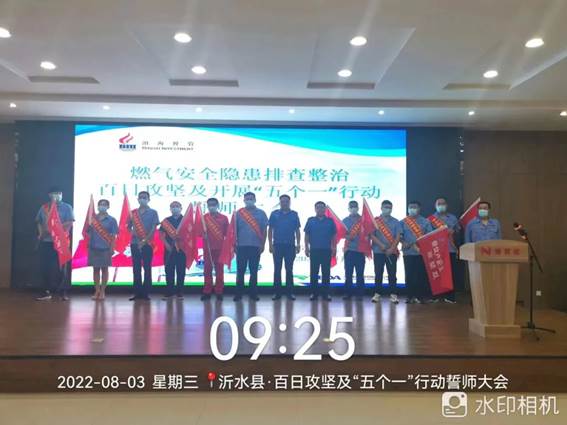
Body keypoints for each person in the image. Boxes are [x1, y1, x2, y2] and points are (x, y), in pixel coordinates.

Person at [35, 186, 74, 301]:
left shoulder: (67, 207)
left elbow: (70, 222)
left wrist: (55, 229)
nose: (57, 195)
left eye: (59, 193)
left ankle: (63, 292)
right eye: (55, 193)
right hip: (46, 241)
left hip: (61, 242)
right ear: (49, 195)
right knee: (45, 267)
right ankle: (46, 292)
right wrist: (41, 233)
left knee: (62, 267)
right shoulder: (44, 207)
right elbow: (38, 221)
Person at [234, 192, 268, 302]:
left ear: (255, 200)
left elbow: (264, 230)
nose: (249, 200)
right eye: (247, 199)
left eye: (251, 198)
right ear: (244, 200)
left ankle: (253, 293)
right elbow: (233, 230)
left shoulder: (261, 213)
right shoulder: (239, 213)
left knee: (254, 271)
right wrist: (234, 244)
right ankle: (239, 293)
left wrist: (263, 244)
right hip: (241, 246)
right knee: (240, 271)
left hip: (255, 246)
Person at [268, 194, 301, 300]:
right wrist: (270, 244)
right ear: (280, 202)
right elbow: (270, 230)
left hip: (290, 245)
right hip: (277, 245)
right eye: (282, 201)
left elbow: (297, 230)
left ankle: (289, 293)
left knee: (289, 269)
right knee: (277, 269)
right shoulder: (274, 214)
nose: (284, 203)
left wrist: (298, 244)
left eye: (286, 201)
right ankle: (277, 293)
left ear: (289, 202)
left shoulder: (294, 214)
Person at [128, 191, 159, 301]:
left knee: (147, 267)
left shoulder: (153, 212)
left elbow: (154, 228)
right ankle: (137, 293)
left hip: (148, 244)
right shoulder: (133, 213)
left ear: (148, 199)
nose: (142, 199)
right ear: (138, 199)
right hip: (135, 243)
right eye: (140, 197)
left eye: (144, 197)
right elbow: (128, 226)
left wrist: (145, 240)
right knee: (136, 268)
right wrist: (132, 232)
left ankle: (146, 293)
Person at [429, 197, 461, 303]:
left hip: (450, 249)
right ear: (435, 206)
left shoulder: (453, 218)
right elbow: (427, 234)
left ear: (447, 205)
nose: (441, 205)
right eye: (439, 204)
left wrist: (453, 231)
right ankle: (437, 296)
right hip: (436, 250)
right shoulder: (431, 219)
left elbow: (458, 231)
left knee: (450, 274)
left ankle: (450, 296)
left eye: (443, 203)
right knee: (437, 273)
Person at [401, 201, 433, 304]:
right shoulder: (403, 222)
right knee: (409, 275)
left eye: (415, 207)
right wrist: (403, 242)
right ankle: (409, 296)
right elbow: (400, 236)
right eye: (410, 207)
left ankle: (420, 296)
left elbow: (429, 236)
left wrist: (418, 244)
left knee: (420, 275)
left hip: (421, 252)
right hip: (408, 252)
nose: (412, 209)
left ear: (419, 209)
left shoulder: (425, 221)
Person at [370, 200, 401, 304]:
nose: (388, 209)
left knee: (392, 273)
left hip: (392, 252)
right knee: (378, 273)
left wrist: (392, 249)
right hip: (378, 251)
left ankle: (393, 294)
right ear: (381, 208)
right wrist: (381, 245)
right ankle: (377, 294)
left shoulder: (396, 221)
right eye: (386, 207)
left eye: (389, 207)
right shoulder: (375, 221)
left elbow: (398, 236)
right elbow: (371, 235)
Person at [304, 201, 337, 301]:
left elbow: (334, 235)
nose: (320, 209)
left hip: (326, 250)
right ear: (315, 209)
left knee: (326, 273)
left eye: (322, 207)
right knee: (314, 272)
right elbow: (307, 235)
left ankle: (326, 294)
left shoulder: (330, 221)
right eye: (318, 207)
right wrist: (306, 247)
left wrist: (334, 247)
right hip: (314, 250)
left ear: (325, 209)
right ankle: (314, 293)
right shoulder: (310, 220)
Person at [88, 199, 118, 300]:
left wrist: (112, 248)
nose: (102, 206)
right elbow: (87, 232)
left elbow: (113, 236)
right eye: (100, 204)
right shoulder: (92, 219)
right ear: (97, 206)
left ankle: (103, 291)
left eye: (104, 205)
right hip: (94, 247)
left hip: (106, 248)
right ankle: (97, 290)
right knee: (95, 270)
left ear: (108, 207)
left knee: (105, 270)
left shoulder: (112, 220)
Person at [201, 198, 229, 301]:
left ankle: (219, 291)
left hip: (220, 248)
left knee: (219, 270)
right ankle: (207, 291)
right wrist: (202, 234)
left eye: (213, 204)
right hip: (207, 247)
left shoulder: (224, 218)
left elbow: (227, 234)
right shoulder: (204, 218)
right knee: (207, 270)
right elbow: (198, 232)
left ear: (217, 205)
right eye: (209, 205)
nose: (211, 207)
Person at [159, 201, 186, 300]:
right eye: (173, 207)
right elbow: (161, 235)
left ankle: (180, 292)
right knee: (169, 271)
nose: (175, 208)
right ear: (170, 209)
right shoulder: (166, 221)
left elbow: (189, 235)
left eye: (177, 206)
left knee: (181, 271)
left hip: (182, 250)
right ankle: (169, 292)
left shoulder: (185, 220)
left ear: (181, 208)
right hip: (169, 249)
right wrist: (166, 245)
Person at [342, 200, 365, 299]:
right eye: (351, 207)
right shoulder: (345, 220)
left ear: (358, 208)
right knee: (348, 273)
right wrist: (347, 236)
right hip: (349, 250)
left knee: (360, 273)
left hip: (360, 250)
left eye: (355, 206)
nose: (353, 208)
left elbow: (368, 233)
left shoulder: (363, 220)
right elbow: (341, 233)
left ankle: (359, 294)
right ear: (348, 208)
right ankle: (348, 293)